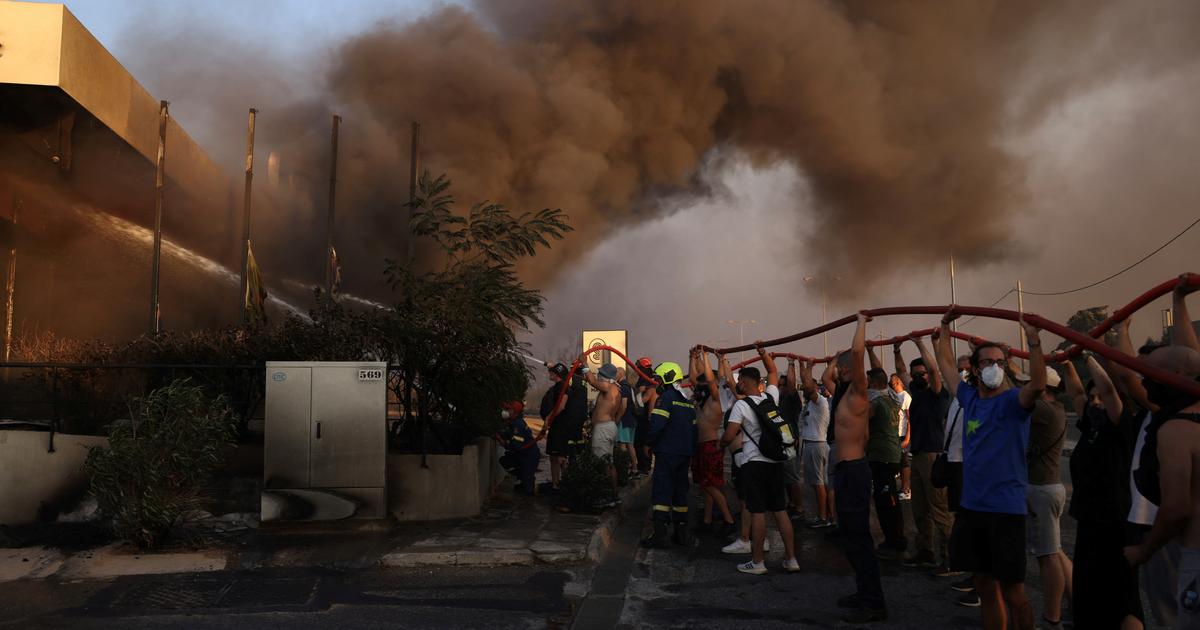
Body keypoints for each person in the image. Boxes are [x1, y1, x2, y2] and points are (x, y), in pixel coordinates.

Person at [936, 310, 1046, 630]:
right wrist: (944, 327)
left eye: (1000, 361)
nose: (993, 367)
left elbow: (1037, 384)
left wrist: (1035, 341)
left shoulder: (1014, 401)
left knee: (1015, 593)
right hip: (972, 509)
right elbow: (946, 368)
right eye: (987, 362)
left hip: (1005, 511)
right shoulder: (971, 400)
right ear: (975, 367)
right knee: (984, 586)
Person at [1062, 355, 1145, 630]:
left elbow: (1109, 390)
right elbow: (1074, 391)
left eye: (1100, 398)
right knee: (1089, 592)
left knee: (1123, 598)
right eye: (1092, 397)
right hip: (1089, 521)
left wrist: (1087, 354)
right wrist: (1067, 363)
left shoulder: (1121, 426)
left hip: (1116, 523)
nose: (1096, 401)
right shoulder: (1091, 425)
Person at [718, 342, 799, 575]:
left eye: (739, 381)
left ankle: (758, 562)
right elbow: (773, 372)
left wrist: (720, 444)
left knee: (758, 512)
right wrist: (763, 353)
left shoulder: (741, 406)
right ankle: (791, 559)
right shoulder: (770, 398)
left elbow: (730, 434)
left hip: (755, 463)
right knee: (780, 511)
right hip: (776, 462)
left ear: (743, 382)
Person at [832, 313, 888, 623]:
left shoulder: (858, 392)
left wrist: (861, 323)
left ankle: (874, 603)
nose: (840, 371)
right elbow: (839, 366)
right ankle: (863, 592)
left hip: (854, 470)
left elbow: (856, 353)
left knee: (860, 539)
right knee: (850, 538)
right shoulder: (843, 396)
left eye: (844, 368)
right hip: (846, 471)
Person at [895, 337, 954, 571]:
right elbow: (901, 371)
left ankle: (951, 558)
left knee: (939, 509)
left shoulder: (938, 394)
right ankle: (925, 551)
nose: (918, 377)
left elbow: (933, 369)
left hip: (933, 455)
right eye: (915, 374)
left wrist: (920, 343)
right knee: (920, 509)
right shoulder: (916, 394)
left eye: (922, 373)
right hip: (918, 455)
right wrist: (897, 349)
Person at [1024, 365, 1073, 628]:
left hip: (1042, 489)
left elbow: (1013, 395)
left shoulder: (1044, 410)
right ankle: (1077, 602)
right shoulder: (1054, 409)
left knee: (1047, 557)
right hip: (1047, 487)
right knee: (1055, 551)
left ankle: (1051, 617)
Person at [641, 360, 698, 548]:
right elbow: (694, 431)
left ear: (667, 378)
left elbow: (657, 425)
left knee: (662, 491)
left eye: (659, 380)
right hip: (684, 454)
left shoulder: (665, 399)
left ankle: (660, 534)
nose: (657, 384)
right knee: (680, 492)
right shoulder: (688, 402)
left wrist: (649, 444)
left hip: (667, 453)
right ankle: (681, 533)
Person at [691, 349, 736, 538]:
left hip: (711, 445)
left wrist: (708, 357)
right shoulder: (704, 399)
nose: (699, 387)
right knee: (705, 485)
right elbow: (696, 379)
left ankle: (728, 520)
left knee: (709, 484)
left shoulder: (718, 398)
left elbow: (710, 380)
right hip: (701, 445)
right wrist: (693, 358)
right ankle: (707, 520)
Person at [866, 367, 906, 559]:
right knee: (890, 499)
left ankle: (894, 540)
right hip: (892, 453)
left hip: (882, 455)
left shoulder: (876, 404)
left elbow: (861, 417)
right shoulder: (892, 399)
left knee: (886, 501)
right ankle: (895, 538)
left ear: (873, 384)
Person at [580, 361, 624, 496]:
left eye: (600, 373)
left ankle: (605, 494)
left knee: (601, 463)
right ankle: (613, 494)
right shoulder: (616, 389)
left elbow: (593, 381)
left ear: (604, 375)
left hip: (604, 429)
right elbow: (621, 409)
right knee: (608, 463)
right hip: (609, 426)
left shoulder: (608, 386)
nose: (598, 375)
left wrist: (584, 363)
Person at [542, 362, 588, 491]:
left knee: (559, 456)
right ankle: (556, 484)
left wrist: (548, 418)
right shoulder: (564, 384)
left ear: (556, 374)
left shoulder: (562, 386)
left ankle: (563, 484)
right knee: (554, 456)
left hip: (560, 426)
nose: (549, 373)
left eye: (552, 372)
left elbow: (561, 406)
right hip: (561, 425)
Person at [799, 359, 833, 528]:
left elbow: (808, 388)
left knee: (819, 484)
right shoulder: (809, 405)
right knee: (821, 484)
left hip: (816, 445)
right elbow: (805, 386)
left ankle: (823, 517)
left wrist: (810, 368)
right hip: (814, 445)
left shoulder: (820, 401)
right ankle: (828, 516)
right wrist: (801, 366)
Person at [778, 361, 807, 521]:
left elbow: (791, 384)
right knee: (787, 476)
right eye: (779, 386)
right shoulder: (780, 400)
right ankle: (792, 503)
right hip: (783, 439)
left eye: (783, 386)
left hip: (791, 440)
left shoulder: (792, 399)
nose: (781, 388)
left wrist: (790, 364)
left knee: (793, 475)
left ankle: (800, 507)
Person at [497, 401, 539, 495]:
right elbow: (507, 433)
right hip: (523, 456)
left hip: (529, 458)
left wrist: (503, 443)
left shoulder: (518, 425)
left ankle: (529, 481)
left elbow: (516, 446)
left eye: (508, 409)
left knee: (528, 491)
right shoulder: (513, 422)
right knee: (505, 461)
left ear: (515, 412)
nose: (505, 411)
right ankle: (522, 477)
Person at [890, 373, 913, 500]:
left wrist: (907, 438)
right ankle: (901, 488)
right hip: (894, 434)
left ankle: (906, 489)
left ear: (899, 382)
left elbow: (910, 419)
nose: (892, 385)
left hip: (902, 434)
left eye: (894, 383)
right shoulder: (895, 396)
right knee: (898, 462)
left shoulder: (905, 396)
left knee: (904, 462)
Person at [634, 357, 656, 475]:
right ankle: (644, 466)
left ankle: (644, 467)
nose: (636, 369)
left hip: (645, 419)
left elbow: (643, 400)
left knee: (640, 443)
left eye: (638, 367)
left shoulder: (646, 382)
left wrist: (639, 392)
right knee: (642, 443)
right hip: (646, 418)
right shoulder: (648, 379)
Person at [616, 368, 639, 477]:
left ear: (621, 373)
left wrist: (618, 418)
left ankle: (624, 471)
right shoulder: (631, 387)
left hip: (624, 420)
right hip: (632, 420)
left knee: (623, 445)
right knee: (630, 445)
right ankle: (635, 469)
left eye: (616, 372)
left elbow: (624, 405)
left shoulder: (623, 386)